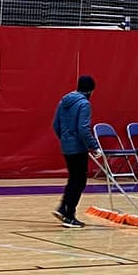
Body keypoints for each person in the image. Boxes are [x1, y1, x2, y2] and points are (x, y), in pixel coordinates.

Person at [51, 75, 99, 226]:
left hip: (66, 146)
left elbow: (55, 125)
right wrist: (94, 146)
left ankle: (63, 208)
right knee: (79, 181)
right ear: (91, 90)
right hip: (78, 148)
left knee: (73, 179)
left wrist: (65, 139)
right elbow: (83, 129)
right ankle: (69, 214)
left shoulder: (63, 101)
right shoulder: (84, 104)